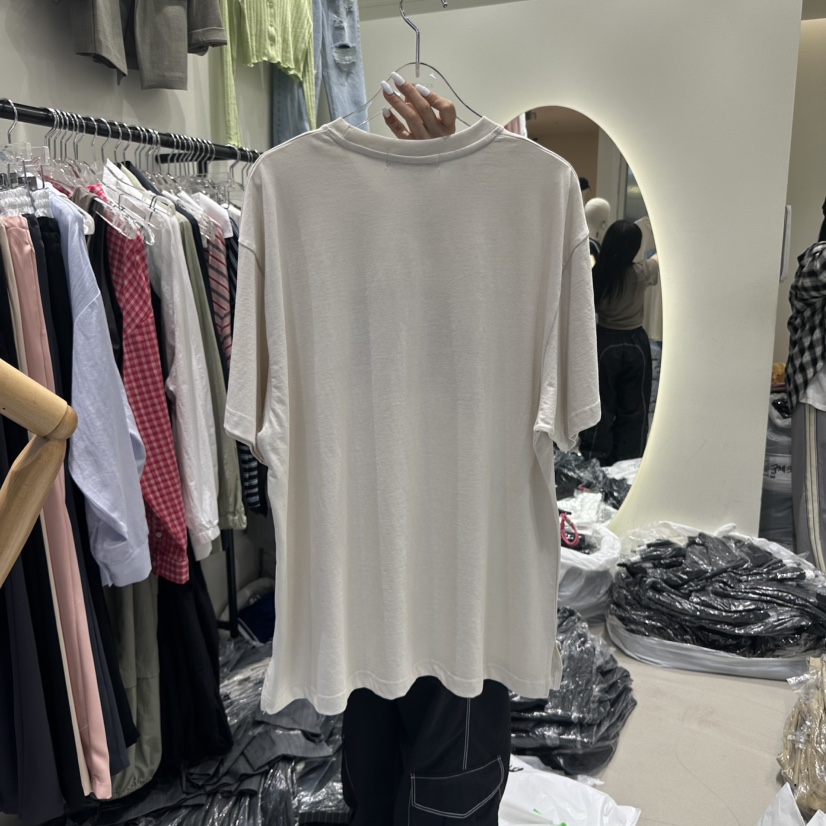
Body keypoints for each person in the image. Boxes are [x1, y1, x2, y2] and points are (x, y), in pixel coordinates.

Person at [579, 219, 659, 466]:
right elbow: (661, 259)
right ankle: (628, 461)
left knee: (600, 406)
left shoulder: (596, 275)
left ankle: (594, 458)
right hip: (636, 343)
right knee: (634, 408)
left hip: (603, 343)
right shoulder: (641, 272)